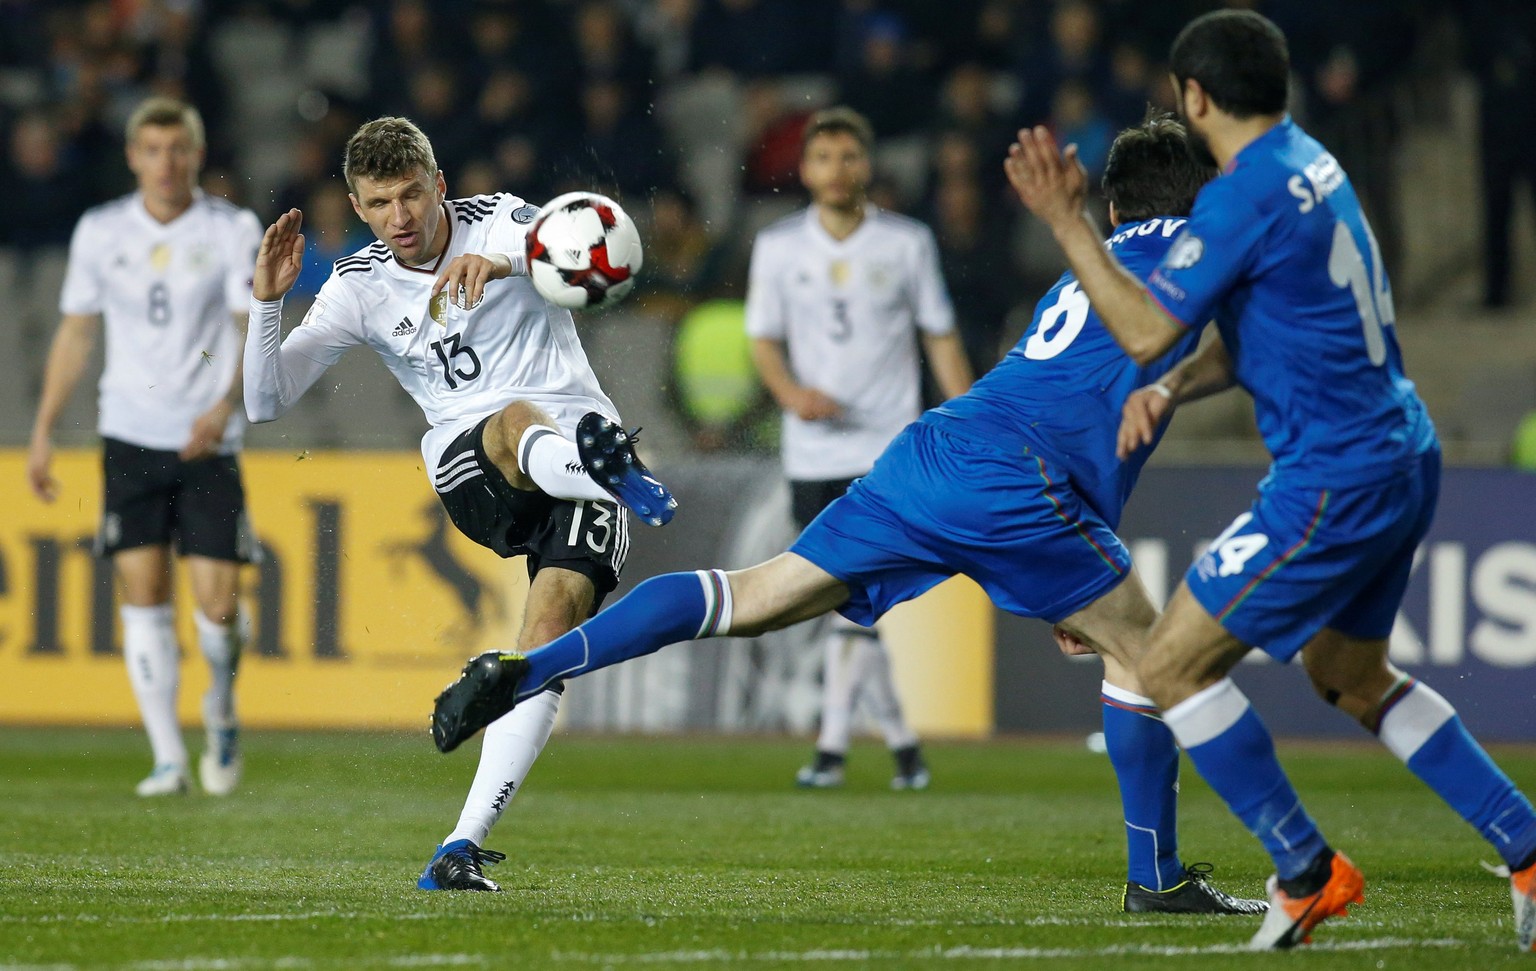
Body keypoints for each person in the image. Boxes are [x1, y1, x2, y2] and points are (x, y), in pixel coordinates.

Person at [433, 115, 1269, 916]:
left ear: (1115, 208)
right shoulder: (1196, 251)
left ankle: (528, 668)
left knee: (751, 597)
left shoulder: (1087, 262)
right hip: (1016, 482)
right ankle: (1199, 871)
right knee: (1157, 656)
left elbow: (1077, 392)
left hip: (932, 450)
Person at [1004, 9, 1536, 952]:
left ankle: (1305, 868)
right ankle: (1528, 848)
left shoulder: (1239, 201)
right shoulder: (1313, 166)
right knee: (1349, 673)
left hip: (1334, 475)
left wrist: (1064, 220)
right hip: (1401, 448)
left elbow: (1139, 327)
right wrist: (1176, 384)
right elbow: (1260, 334)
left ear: (1195, 97)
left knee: (1166, 664)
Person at [245, 116, 676, 893]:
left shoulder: (502, 218)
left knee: (541, 645)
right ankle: (609, 473)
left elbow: (586, 236)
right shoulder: (358, 286)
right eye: (379, 204)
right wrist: (267, 306)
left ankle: (459, 846)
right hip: (475, 469)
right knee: (513, 420)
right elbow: (264, 401)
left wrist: (507, 262)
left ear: (441, 185)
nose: (400, 218)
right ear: (356, 205)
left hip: (579, 436)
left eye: (412, 195)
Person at [27, 97, 260, 799]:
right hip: (129, 431)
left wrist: (224, 407)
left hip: (206, 438)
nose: (166, 163)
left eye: (178, 150)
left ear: (196, 154)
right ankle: (167, 757)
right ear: (133, 157)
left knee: (218, 607)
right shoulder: (101, 231)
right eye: (153, 150)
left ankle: (220, 702)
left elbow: (255, 326)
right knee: (143, 590)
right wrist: (43, 427)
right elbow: (75, 333)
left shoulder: (231, 228)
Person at [746, 106, 973, 791]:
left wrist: (968, 416)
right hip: (813, 450)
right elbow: (762, 339)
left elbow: (939, 333)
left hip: (886, 449)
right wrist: (791, 395)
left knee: (852, 597)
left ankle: (833, 748)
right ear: (805, 169)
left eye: (849, 157)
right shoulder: (779, 247)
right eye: (823, 158)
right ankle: (900, 746)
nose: (837, 170)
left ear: (867, 165)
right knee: (848, 602)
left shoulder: (907, 242)